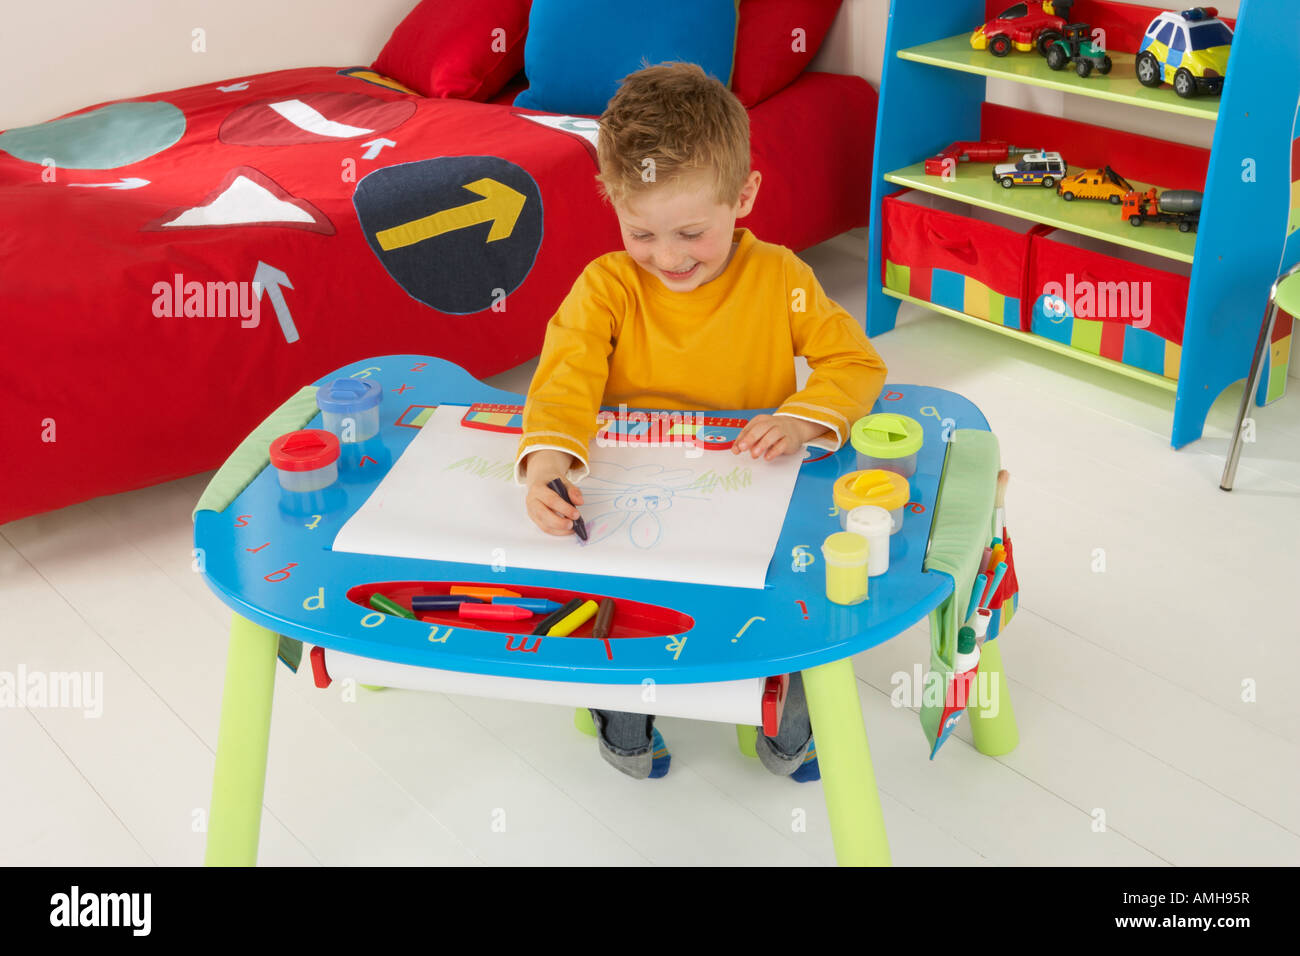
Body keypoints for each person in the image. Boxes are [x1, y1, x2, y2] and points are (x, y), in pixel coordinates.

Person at [514, 62, 888, 780]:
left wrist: (805, 420)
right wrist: (548, 465)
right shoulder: (605, 288)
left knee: (798, 600)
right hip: (635, 500)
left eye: (691, 231)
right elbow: (564, 381)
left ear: (742, 196)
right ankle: (626, 725)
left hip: (754, 492)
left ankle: (790, 725)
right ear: (612, 202)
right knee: (621, 604)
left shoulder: (782, 278)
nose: (668, 257)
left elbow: (856, 365)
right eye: (642, 232)